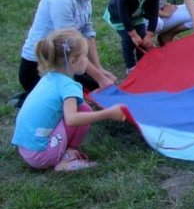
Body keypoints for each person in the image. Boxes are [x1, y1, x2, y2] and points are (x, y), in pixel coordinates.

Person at [17, 0, 117, 103]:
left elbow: (87, 31)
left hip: (67, 60)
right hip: (40, 67)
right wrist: (100, 78)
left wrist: (99, 70)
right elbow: (70, 46)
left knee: (98, 88)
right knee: (80, 98)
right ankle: (33, 96)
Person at [11, 29, 126, 171]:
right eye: (85, 57)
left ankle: (67, 151)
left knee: (83, 108)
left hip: (26, 148)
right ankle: (66, 160)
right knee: (81, 113)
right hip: (41, 156)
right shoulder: (69, 86)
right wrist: (108, 113)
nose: (87, 60)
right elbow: (72, 119)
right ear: (73, 61)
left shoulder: (48, 77)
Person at [103, 0, 159, 74]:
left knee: (142, 37)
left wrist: (149, 35)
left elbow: (154, 15)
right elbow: (124, 16)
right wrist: (133, 34)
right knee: (128, 40)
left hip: (136, 16)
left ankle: (143, 61)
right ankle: (131, 66)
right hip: (119, 18)